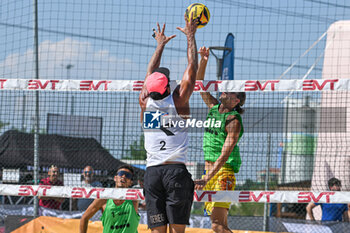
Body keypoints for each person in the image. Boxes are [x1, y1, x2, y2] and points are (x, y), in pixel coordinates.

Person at [138, 14, 198, 233]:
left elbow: (149, 74)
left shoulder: (144, 102)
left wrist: (159, 46)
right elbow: (193, 65)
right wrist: (191, 36)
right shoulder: (179, 100)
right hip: (175, 172)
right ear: (166, 87)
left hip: (152, 173)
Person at [194, 46, 245, 233]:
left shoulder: (233, 121)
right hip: (210, 170)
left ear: (236, 100)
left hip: (223, 172)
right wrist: (204, 60)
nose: (224, 90)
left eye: (230, 91)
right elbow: (199, 84)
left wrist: (207, 177)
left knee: (217, 226)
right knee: (220, 226)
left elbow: (224, 155)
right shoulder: (214, 108)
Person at [80, 165, 139, 233]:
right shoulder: (104, 198)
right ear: (115, 178)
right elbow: (84, 218)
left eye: (128, 175)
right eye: (121, 174)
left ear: (130, 182)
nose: (123, 177)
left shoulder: (134, 199)